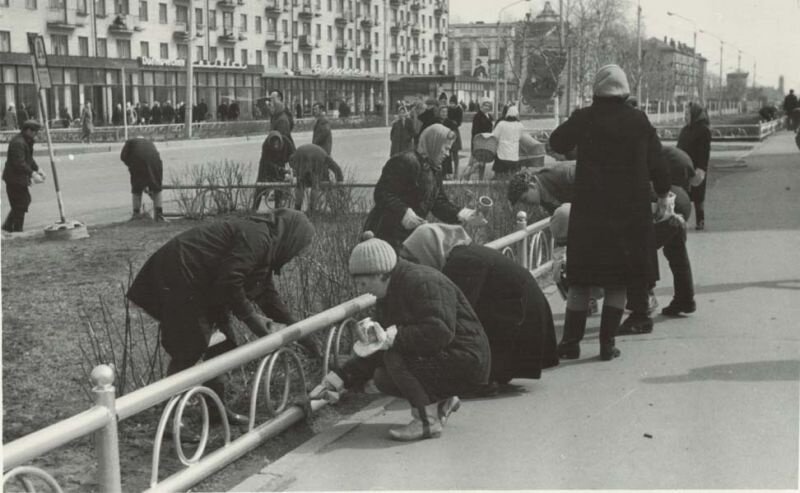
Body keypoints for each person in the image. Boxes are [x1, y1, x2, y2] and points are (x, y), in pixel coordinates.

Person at [127, 210, 317, 416]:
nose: (295, 255)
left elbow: (267, 297)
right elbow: (231, 281)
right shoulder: (258, 238)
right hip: (181, 278)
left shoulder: (265, 247)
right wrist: (251, 319)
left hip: (201, 286)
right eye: (298, 248)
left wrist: (307, 338)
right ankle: (169, 418)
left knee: (222, 344)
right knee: (190, 347)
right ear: (292, 237)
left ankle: (216, 410)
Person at [311, 232, 491, 441]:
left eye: (363, 283)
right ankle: (443, 401)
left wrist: (392, 338)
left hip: (468, 360)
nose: (363, 291)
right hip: (454, 355)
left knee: (394, 358)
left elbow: (439, 331)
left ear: (380, 274)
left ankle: (427, 422)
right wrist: (339, 379)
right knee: (383, 377)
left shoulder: (423, 282)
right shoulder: (391, 291)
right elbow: (379, 348)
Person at [548, 64, 670, 361]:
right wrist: (664, 194)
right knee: (618, 281)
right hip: (629, 213)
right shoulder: (638, 120)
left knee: (581, 280)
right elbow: (658, 161)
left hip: (591, 211)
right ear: (625, 89)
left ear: (597, 90)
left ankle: (570, 343)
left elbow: (556, 142)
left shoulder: (585, 118)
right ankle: (606, 344)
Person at [400, 224, 558, 392]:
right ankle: (494, 373)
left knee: (458, 330)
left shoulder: (461, 262)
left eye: (415, 259)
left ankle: (483, 379)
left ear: (427, 249)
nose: (416, 266)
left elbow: (457, 311)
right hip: (524, 315)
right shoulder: (463, 254)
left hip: (520, 319)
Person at [363, 123, 486, 249]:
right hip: (384, 235)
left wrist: (465, 215)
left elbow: (438, 202)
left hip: (408, 237)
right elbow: (382, 193)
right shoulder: (406, 161)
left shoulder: (435, 169)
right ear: (434, 144)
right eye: (445, 148)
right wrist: (404, 212)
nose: (448, 154)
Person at [2, 120, 44, 233]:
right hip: (14, 178)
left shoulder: (26, 141)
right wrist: (33, 173)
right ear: (28, 130)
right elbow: (19, 163)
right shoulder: (18, 143)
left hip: (18, 177)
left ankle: (8, 226)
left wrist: (37, 168)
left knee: (21, 202)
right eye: (35, 131)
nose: (36, 134)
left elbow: (29, 158)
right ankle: (16, 229)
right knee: (21, 202)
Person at [677, 102, 711, 230]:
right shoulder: (685, 129)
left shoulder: (703, 130)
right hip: (684, 167)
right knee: (682, 195)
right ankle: (681, 221)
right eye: (684, 114)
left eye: (687, 114)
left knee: (698, 197)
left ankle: (700, 221)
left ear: (694, 114)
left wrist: (701, 169)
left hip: (697, 167)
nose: (685, 116)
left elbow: (704, 152)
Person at [288, 143, 344, 212]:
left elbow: (292, 161)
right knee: (315, 185)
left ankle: (297, 209)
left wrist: (297, 172)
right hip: (314, 156)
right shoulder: (325, 157)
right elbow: (337, 169)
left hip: (300, 153)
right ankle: (312, 209)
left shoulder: (323, 157)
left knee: (300, 185)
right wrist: (341, 185)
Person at [120, 137, 165, 221]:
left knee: (136, 189)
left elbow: (123, 157)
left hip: (137, 161)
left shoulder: (130, 142)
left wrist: (130, 165)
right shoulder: (149, 141)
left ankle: (136, 214)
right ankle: (159, 215)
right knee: (157, 188)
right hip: (156, 161)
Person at [254, 131, 292, 211]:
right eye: (274, 145)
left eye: (277, 144)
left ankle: (277, 210)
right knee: (260, 187)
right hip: (267, 166)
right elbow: (266, 161)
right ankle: (254, 208)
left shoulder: (286, 142)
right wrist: (278, 169)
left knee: (279, 188)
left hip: (281, 164)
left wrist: (290, 168)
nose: (276, 147)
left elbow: (293, 154)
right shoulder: (266, 145)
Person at [461, 98, 494, 180]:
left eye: (488, 105)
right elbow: (475, 131)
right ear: (481, 106)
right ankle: (467, 175)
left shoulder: (489, 116)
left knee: (483, 161)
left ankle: (480, 178)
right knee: (475, 162)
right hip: (478, 141)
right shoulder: (477, 116)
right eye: (485, 105)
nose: (486, 107)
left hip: (486, 142)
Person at [491, 105, 524, 178]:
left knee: (499, 174)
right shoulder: (520, 125)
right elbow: (520, 137)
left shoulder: (501, 124)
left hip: (502, 153)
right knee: (512, 175)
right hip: (514, 154)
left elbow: (495, 136)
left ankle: (499, 185)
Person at [437, 105, 458, 177]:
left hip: (446, 145)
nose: (444, 113)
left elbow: (454, 135)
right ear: (439, 112)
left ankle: (445, 175)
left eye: (446, 112)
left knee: (446, 160)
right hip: (437, 144)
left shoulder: (451, 123)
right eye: (442, 112)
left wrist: (449, 144)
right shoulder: (435, 121)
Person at [447, 95, 464, 177]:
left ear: (456, 103)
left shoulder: (459, 110)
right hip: (447, 131)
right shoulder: (448, 109)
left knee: (455, 152)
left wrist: (454, 122)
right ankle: (449, 171)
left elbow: (459, 122)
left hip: (455, 131)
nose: (452, 104)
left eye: (453, 103)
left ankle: (456, 171)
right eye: (451, 103)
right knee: (448, 152)